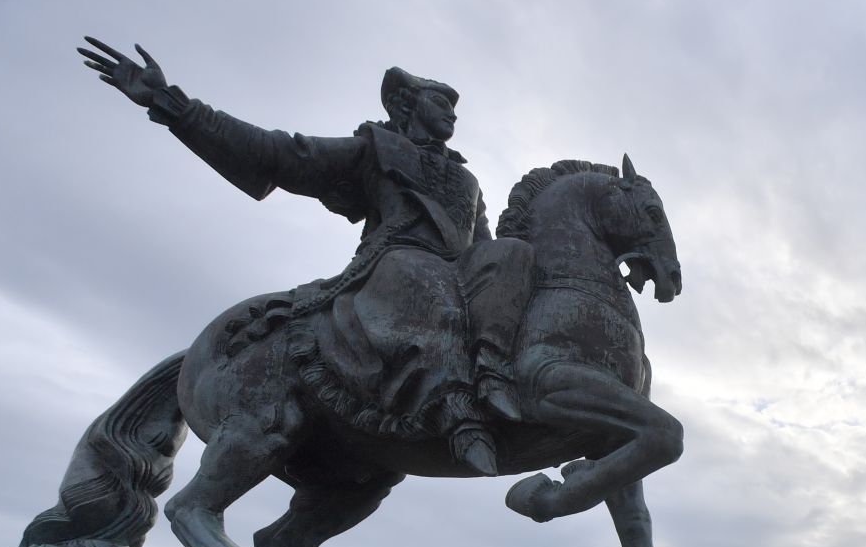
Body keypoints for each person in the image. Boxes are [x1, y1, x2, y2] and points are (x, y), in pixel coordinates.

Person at [78, 37, 532, 474]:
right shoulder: (375, 149)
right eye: (440, 102)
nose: (452, 112)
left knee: (510, 256)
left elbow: (480, 243)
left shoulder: (464, 179)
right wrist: (175, 105)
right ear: (408, 106)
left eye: (455, 106)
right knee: (422, 276)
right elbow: (279, 152)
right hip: (395, 266)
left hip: (449, 272)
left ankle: (495, 378)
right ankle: (452, 404)